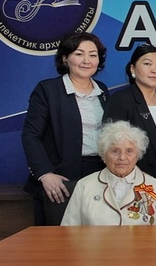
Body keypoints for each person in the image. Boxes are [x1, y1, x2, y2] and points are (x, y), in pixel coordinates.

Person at [21, 32, 110, 225]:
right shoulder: (48, 90)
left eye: (93, 55)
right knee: (58, 240)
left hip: (98, 176)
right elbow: (31, 135)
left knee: (97, 239)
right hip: (60, 178)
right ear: (65, 58)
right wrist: (45, 174)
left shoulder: (102, 90)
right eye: (79, 54)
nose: (86, 60)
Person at [61, 120, 156, 225]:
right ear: (104, 155)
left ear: (138, 155)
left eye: (129, 151)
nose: (122, 157)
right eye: (115, 151)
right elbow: (68, 232)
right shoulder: (84, 186)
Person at [103, 43, 156, 182]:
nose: (154, 70)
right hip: (136, 181)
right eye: (147, 64)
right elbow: (111, 146)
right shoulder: (121, 99)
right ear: (133, 68)